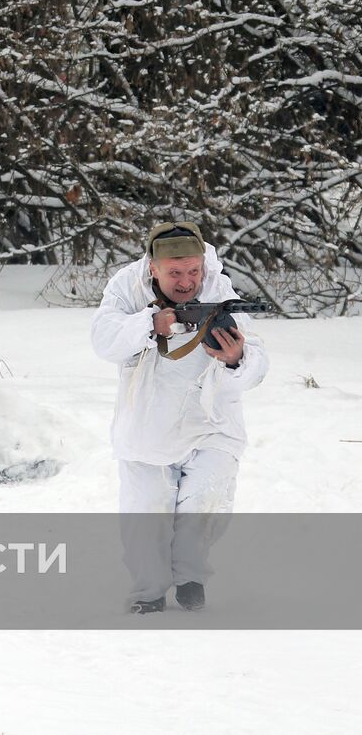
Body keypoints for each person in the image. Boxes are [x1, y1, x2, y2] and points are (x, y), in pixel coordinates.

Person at [90, 221, 269, 614]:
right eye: (175, 273)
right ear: (152, 268)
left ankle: (190, 576)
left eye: (193, 271)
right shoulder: (126, 286)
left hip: (212, 421)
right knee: (148, 508)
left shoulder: (220, 289)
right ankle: (149, 590)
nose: (188, 282)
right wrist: (149, 325)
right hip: (148, 420)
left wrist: (237, 358)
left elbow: (257, 363)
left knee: (205, 500)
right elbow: (102, 339)